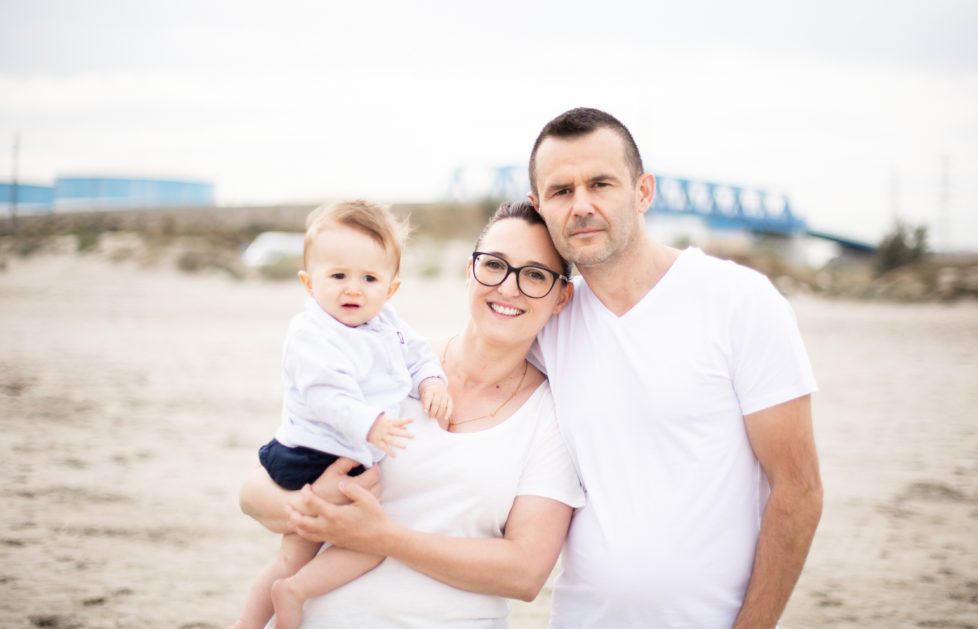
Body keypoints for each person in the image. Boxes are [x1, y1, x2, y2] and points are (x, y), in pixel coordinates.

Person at [523, 107, 824, 628]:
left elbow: (798, 488)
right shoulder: (547, 322)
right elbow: (461, 368)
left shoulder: (739, 301)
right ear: (539, 207)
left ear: (643, 192)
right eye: (561, 191)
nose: (582, 206)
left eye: (601, 184)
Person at [238, 200, 585, 628]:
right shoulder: (384, 361)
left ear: (561, 296)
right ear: (470, 271)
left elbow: (525, 573)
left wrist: (384, 538)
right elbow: (252, 495)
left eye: (535, 275)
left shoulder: (553, 415)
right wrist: (316, 502)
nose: (508, 287)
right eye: (494, 265)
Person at [231, 200, 454, 629]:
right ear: (309, 283)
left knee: (322, 553)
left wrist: (431, 383)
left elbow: (419, 354)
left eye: (369, 278)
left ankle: (291, 591)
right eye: (338, 276)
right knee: (359, 546)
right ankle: (262, 613)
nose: (353, 289)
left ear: (390, 289)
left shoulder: (387, 322)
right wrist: (371, 423)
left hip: (348, 457)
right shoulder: (311, 333)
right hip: (308, 456)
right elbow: (326, 396)